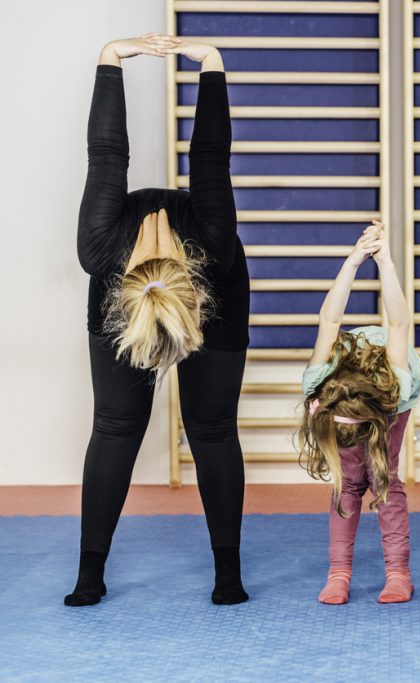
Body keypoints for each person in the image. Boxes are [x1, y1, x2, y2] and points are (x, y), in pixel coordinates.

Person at [68, 34, 249, 606]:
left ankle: (228, 574)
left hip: (216, 299)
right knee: (117, 429)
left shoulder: (208, 251)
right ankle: (90, 573)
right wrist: (210, 65)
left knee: (212, 427)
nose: (154, 223)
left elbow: (111, 153)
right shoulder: (107, 259)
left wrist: (111, 59)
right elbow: (203, 155)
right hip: (133, 305)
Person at [298, 222, 420, 604]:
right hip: (347, 386)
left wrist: (385, 262)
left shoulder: (396, 386)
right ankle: (338, 573)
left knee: (384, 481)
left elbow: (399, 322)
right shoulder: (319, 380)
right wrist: (353, 262)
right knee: (347, 484)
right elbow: (330, 321)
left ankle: (399, 573)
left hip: (384, 397)